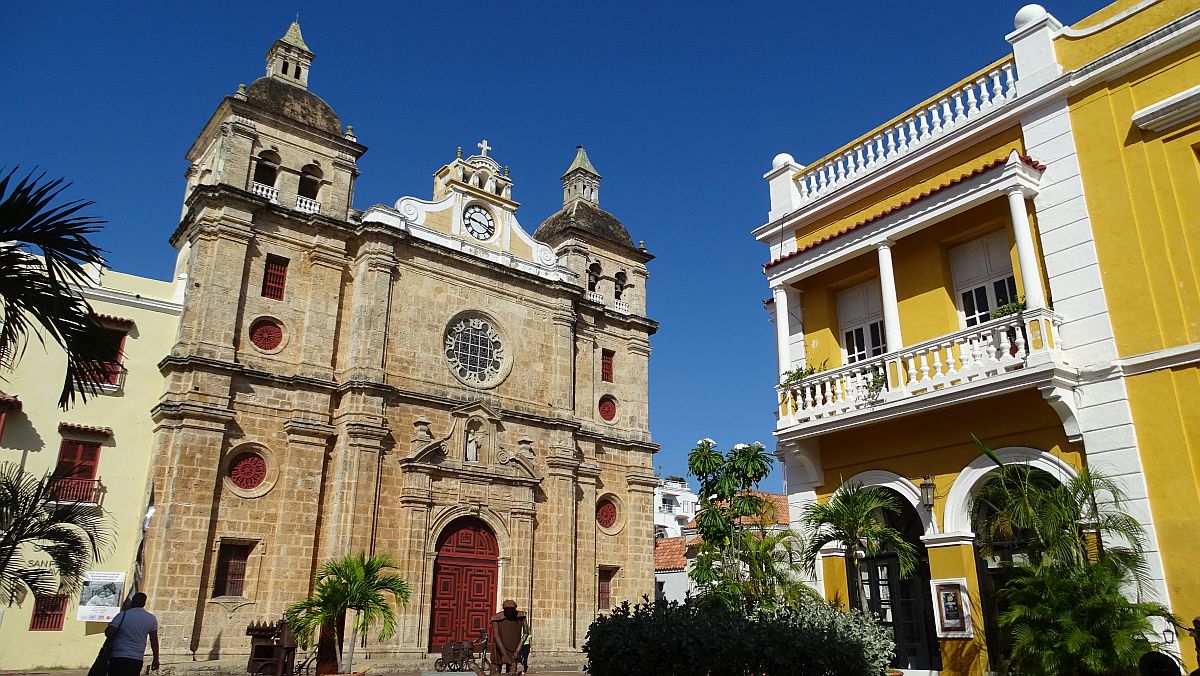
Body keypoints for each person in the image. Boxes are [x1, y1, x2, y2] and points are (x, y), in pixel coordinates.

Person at [105, 592, 160, 676]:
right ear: (144, 603)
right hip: (136, 658)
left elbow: (109, 633)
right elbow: (154, 641)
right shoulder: (151, 618)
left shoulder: (122, 615)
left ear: (132, 601)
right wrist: (156, 658)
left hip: (118, 656)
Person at [489, 599, 529, 674]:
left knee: (512, 670)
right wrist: (504, 654)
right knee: (495, 671)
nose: (509, 612)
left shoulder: (521, 617)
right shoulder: (496, 618)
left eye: (512, 609)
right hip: (499, 649)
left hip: (514, 649)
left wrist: (517, 650)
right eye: (507, 609)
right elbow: (497, 636)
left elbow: (526, 633)